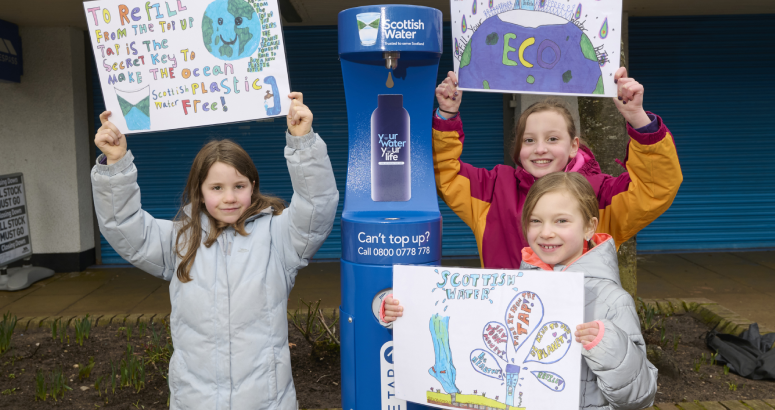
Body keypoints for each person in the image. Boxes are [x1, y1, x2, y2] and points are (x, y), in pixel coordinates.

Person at [91, 92, 339, 410]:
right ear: (200, 190)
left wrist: (302, 143)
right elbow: (123, 226)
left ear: (253, 185)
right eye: (217, 188)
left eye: (239, 186)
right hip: (195, 400)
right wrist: (116, 164)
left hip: (264, 401)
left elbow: (317, 206)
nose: (229, 198)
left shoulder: (279, 236)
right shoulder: (180, 240)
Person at [384, 172, 658, 409]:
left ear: (589, 227)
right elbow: (464, 335)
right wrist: (406, 313)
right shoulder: (511, 290)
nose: (546, 232)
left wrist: (607, 345)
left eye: (561, 221)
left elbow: (641, 396)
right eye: (535, 221)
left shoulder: (612, 301)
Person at [432, 67, 682, 268]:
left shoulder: (601, 194)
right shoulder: (493, 188)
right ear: (519, 148)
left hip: (581, 327)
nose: (540, 149)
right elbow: (446, 173)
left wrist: (638, 119)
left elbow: (655, 187)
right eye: (529, 140)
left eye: (552, 139)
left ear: (573, 146)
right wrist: (446, 114)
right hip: (510, 323)